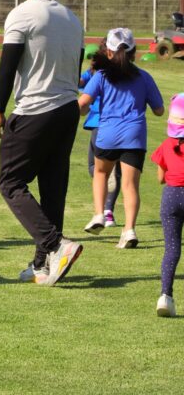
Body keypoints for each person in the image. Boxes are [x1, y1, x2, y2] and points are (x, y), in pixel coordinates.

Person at [0, 0, 84, 287]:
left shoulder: (21, 15)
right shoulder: (73, 19)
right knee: (52, 185)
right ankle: (42, 266)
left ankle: (56, 245)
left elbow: (7, 66)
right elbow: (75, 70)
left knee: (10, 182)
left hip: (35, 109)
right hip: (67, 109)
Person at [78, 28, 164, 248]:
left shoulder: (101, 76)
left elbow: (83, 104)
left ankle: (99, 214)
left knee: (100, 173)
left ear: (108, 52)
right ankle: (129, 230)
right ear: (134, 52)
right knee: (130, 185)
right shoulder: (144, 77)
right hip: (134, 137)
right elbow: (159, 110)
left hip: (107, 135)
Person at [79, 44, 121, 228]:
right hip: (120, 127)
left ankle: (102, 208)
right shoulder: (124, 73)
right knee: (117, 172)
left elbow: (80, 86)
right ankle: (108, 210)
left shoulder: (97, 74)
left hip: (99, 123)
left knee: (95, 168)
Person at [151, 94, 184, 317]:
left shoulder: (165, 145)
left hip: (171, 196)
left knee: (172, 248)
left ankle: (165, 295)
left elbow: (160, 178)